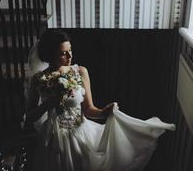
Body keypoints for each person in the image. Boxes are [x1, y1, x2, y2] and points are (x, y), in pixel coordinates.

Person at [24, 29, 175, 171]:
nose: (70, 56)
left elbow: (89, 110)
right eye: (63, 53)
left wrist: (105, 112)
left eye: (70, 50)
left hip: (80, 133)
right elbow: (30, 116)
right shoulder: (39, 79)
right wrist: (47, 105)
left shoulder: (80, 72)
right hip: (51, 139)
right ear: (51, 55)